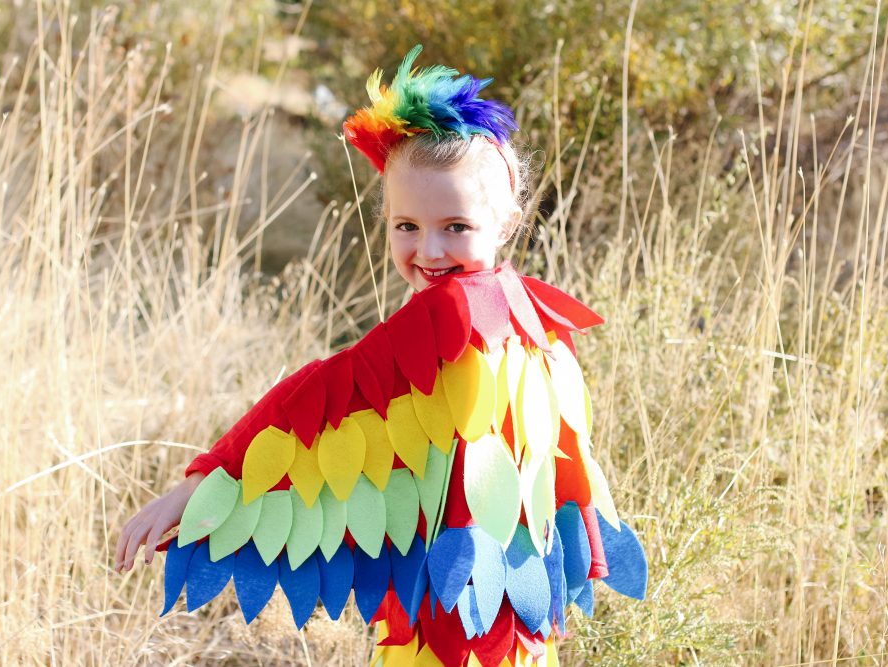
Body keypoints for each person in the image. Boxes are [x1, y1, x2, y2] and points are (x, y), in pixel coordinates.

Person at [115, 44, 646, 667]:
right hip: (513, 615)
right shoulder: (537, 317)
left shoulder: (455, 313)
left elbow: (322, 395)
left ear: (506, 221)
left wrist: (207, 482)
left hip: (455, 617)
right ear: (387, 219)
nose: (429, 249)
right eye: (406, 226)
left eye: (456, 226)